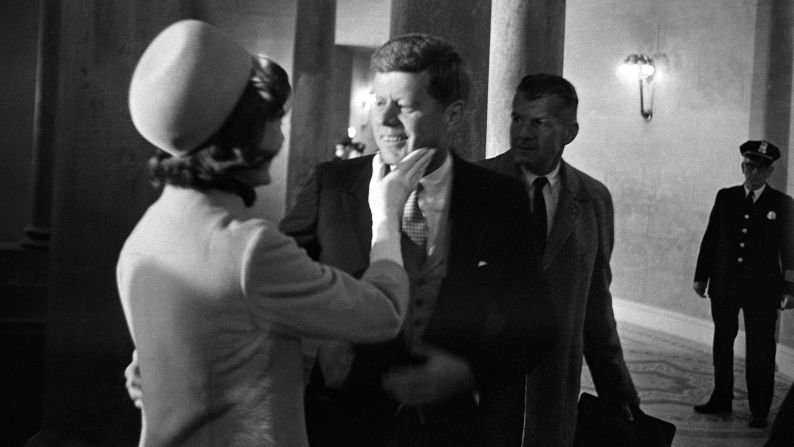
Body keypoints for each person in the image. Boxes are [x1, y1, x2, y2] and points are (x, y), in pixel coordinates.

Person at [119, 20, 436, 446]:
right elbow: (383, 314)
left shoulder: (145, 234)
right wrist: (385, 215)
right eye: (274, 120)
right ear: (244, 133)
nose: (282, 134)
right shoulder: (247, 249)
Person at [280, 34, 555, 447]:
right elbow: (271, 284)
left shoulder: (497, 197)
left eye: (404, 106)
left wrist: (468, 371)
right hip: (339, 420)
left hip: (446, 427)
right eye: (379, 101)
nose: (385, 121)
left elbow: (537, 320)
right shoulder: (332, 185)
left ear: (454, 114)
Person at [479, 73, 639, 447]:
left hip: (553, 389)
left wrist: (616, 388)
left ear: (570, 132)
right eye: (517, 118)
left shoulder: (593, 200)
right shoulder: (475, 185)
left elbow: (596, 303)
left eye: (539, 122)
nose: (523, 132)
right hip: (482, 382)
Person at [692, 139, 794, 428]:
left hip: (763, 291)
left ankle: (759, 410)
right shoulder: (725, 197)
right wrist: (701, 276)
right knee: (722, 343)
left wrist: (791, 288)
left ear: (770, 171)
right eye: (749, 166)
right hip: (724, 284)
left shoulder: (783, 205)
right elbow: (711, 238)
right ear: (742, 167)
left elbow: (790, 251)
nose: (754, 173)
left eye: (761, 168)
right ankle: (721, 398)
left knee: (761, 350)